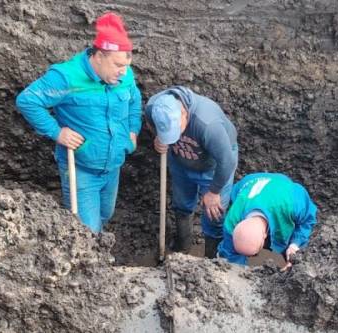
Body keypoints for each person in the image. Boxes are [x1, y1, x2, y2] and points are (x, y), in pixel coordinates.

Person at [15, 13, 142, 233]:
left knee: (105, 214)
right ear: (100, 56)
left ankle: (98, 250)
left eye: (126, 65)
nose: (123, 72)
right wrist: (56, 131)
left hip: (113, 166)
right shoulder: (67, 77)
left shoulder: (124, 75)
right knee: (87, 230)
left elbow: (135, 99)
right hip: (81, 168)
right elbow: (28, 101)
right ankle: (92, 261)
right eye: (118, 65)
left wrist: (132, 131)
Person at [145, 87, 238, 255]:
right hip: (180, 163)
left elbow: (227, 161)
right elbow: (151, 125)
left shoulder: (207, 124)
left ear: (184, 114)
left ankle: (213, 258)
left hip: (213, 168)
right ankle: (182, 248)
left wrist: (214, 192)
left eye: (176, 131)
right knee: (181, 205)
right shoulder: (153, 108)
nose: (176, 137)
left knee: (214, 214)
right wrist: (159, 139)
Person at [217, 173, 317, 267]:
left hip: (280, 184)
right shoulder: (231, 221)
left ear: (265, 235)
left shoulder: (292, 203)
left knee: (287, 234)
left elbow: (307, 220)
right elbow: (229, 253)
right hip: (249, 183)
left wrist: (295, 244)